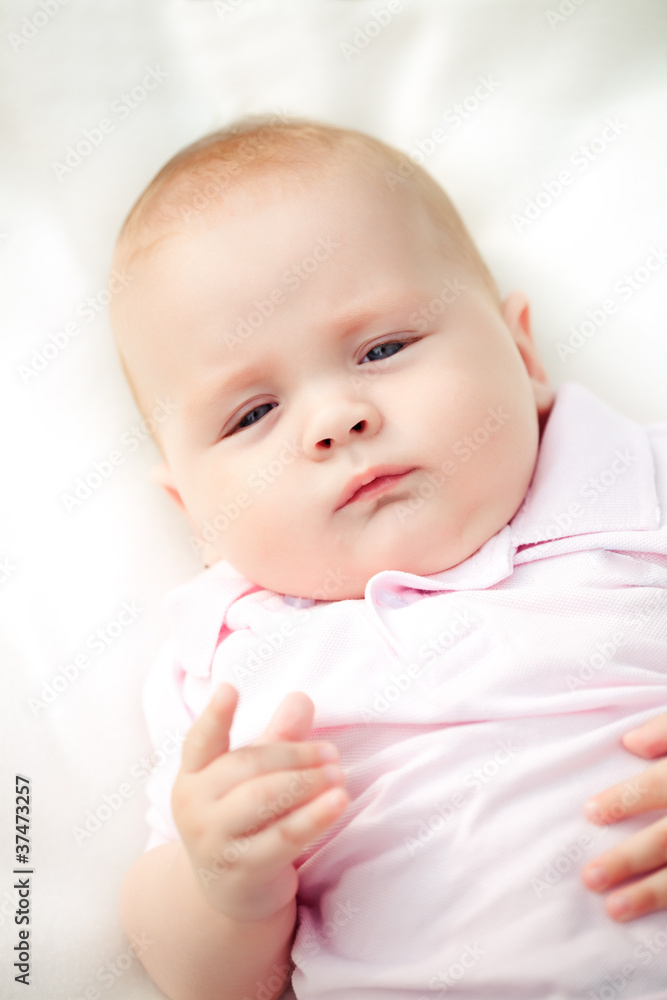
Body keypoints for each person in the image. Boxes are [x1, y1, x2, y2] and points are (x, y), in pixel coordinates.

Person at [109, 116, 667, 1000]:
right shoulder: (227, 664)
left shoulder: (637, 479)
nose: (335, 418)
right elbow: (193, 974)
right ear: (195, 514)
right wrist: (222, 888)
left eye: (383, 349)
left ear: (521, 353)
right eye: (251, 415)